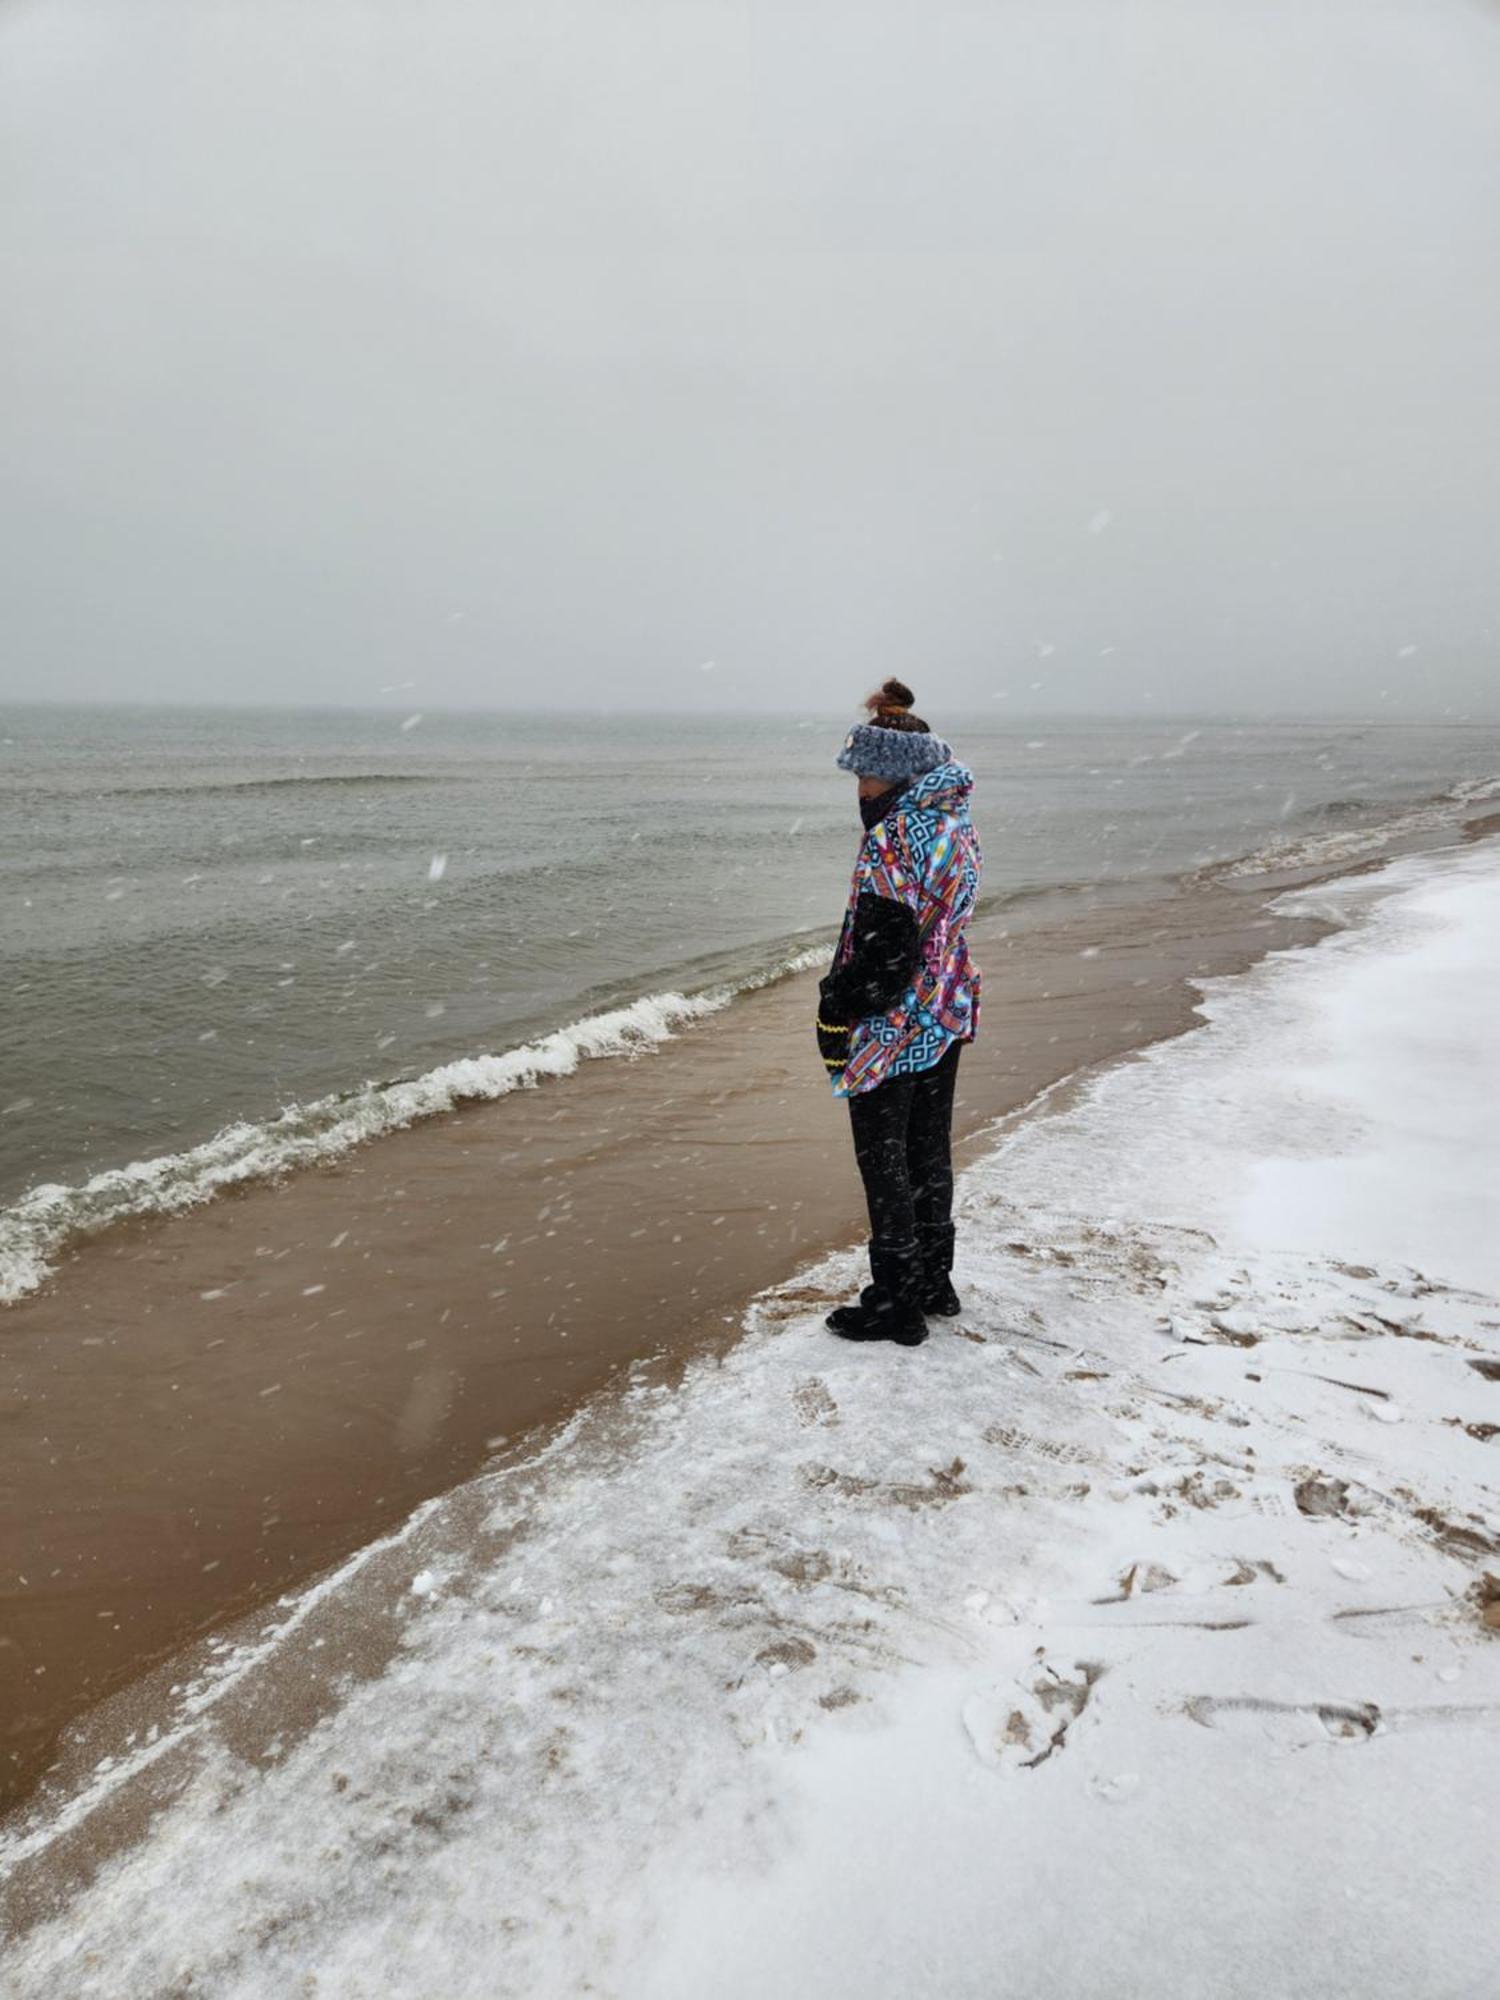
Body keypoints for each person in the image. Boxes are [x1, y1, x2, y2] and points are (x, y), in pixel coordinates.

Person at [816, 680, 983, 1346]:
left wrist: (837, 1002)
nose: (858, 787)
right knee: (927, 1152)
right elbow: (939, 924)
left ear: (892, 774)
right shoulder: (954, 825)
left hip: (895, 1025)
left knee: (883, 1161)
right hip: (948, 1007)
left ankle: (895, 1303)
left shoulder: (892, 839)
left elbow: (886, 957)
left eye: (865, 773)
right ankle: (934, 1282)